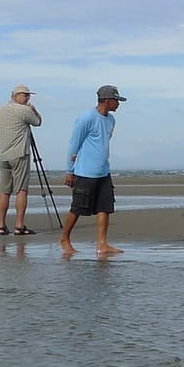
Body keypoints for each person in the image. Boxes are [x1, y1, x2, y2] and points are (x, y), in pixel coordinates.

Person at [60, 84, 126, 256]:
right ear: (107, 100)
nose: (118, 104)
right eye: (116, 101)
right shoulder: (86, 118)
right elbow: (74, 144)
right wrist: (70, 171)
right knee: (77, 208)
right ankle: (64, 238)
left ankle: (102, 244)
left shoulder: (111, 120)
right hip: (84, 172)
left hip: (103, 171)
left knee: (105, 207)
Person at [0, 84, 43, 235]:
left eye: (28, 96)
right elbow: (38, 122)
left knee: (4, 191)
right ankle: (19, 225)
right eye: (25, 95)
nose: (28, 98)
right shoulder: (24, 110)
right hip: (20, 154)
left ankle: (1, 226)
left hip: (3, 155)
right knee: (21, 190)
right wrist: (33, 110)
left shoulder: (0, 110)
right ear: (16, 96)